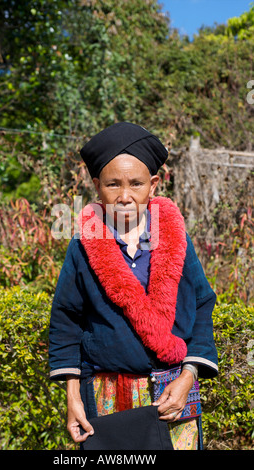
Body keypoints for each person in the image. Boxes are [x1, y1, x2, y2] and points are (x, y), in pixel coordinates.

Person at [49, 122, 218, 450]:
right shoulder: (83, 247)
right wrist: (73, 398)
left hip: (174, 390)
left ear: (153, 184)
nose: (125, 196)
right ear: (97, 186)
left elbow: (201, 305)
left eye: (136, 183)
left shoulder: (176, 238)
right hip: (106, 394)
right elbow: (66, 322)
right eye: (113, 184)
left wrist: (188, 377)